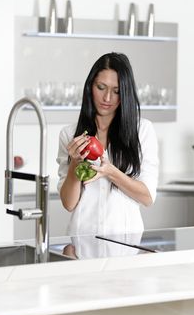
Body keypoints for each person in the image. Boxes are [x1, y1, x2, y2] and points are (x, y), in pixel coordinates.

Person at [56, 52, 159, 236]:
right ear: (90, 87)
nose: (107, 98)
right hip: (81, 239)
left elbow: (147, 197)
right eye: (101, 87)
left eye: (117, 91)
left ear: (125, 93)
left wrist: (110, 172)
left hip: (127, 242)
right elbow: (68, 203)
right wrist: (74, 164)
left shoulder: (142, 131)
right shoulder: (70, 135)